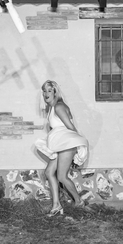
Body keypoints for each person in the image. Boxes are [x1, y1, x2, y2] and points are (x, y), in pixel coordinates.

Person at [34, 80, 89, 216]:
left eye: (49, 91)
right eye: (44, 91)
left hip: (66, 144)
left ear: (55, 92)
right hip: (60, 145)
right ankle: (56, 205)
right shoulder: (53, 108)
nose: (46, 94)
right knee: (48, 172)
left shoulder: (59, 106)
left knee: (61, 176)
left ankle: (79, 202)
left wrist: (78, 147)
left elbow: (70, 128)